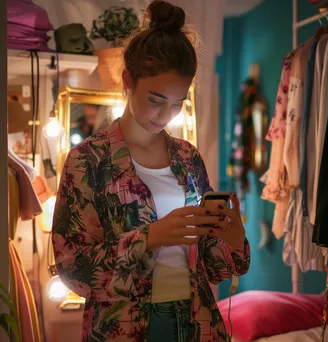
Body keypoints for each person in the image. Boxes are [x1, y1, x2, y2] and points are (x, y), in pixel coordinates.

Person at [52, 1, 250, 341]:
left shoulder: (188, 158)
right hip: (123, 325)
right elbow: (74, 269)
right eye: (156, 100)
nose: (165, 116)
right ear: (128, 80)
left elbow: (214, 268)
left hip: (196, 318)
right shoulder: (88, 160)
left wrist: (231, 236)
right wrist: (151, 236)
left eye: (177, 104)